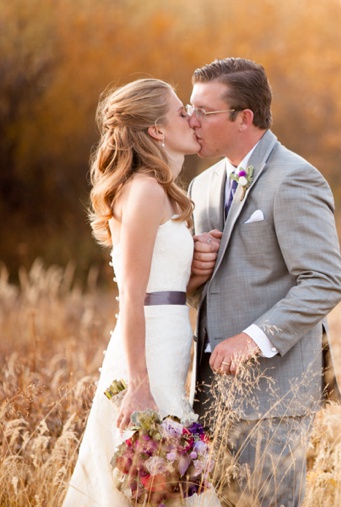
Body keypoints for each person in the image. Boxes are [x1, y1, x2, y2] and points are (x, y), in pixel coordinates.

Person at [187, 57, 341, 507]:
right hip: (207, 395)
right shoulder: (202, 185)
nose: (191, 119)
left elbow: (325, 281)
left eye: (204, 111)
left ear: (244, 118)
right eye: (189, 107)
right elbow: (211, 285)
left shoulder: (295, 178)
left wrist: (251, 340)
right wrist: (194, 274)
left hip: (273, 397)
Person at [63, 78, 221, 506]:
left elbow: (162, 288)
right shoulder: (146, 190)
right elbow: (133, 296)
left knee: (165, 482)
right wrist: (138, 384)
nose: (190, 117)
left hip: (166, 348)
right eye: (179, 111)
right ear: (156, 130)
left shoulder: (163, 190)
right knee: (152, 482)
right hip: (144, 358)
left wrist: (193, 269)